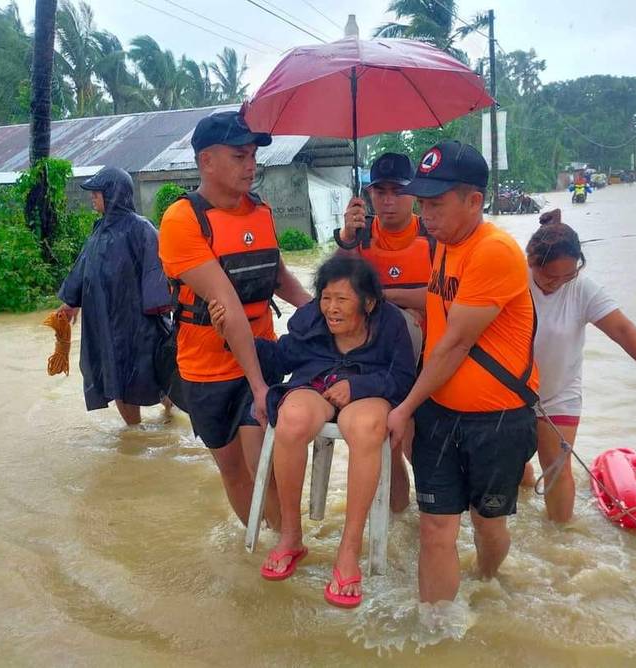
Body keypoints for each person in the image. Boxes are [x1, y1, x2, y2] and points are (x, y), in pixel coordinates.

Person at [208, 255, 415, 608]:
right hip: (315, 383)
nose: (331, 308)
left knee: (365, 427)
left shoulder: (391, 324)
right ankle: (291, 537)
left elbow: (402, 377)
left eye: (342, 299)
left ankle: (348, 552)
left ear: (368, 302)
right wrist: (230, 333)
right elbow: (278, 358)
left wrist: (359, 385)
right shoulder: (311, 321)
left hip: (368, 392)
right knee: (292, 418)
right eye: (326, 298)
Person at [386, 140, 539, 604]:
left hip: (496, 421)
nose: (424, 213)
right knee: (435, 526)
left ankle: (487, 581)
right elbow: (435, 313)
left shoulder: (493, 251)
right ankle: (435, 632)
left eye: (436, 203)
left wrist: (404, 406)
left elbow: (454, 343)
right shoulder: (446, 246)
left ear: (475, 201)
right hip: (439, 412)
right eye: (423, 202)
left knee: (486, 523)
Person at [158, 111, 312, 527]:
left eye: (253, 156)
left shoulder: (260, 212)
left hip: (261, 357)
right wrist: (260, 385)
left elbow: (279, 277)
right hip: (206, 370)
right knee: (232, 469)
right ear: (206, 161)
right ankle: (257, 544)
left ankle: (286, 541)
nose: (251, 165)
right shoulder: (181, 220)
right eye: (240, 156)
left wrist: (324, 315)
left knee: (267, 461)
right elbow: (223, 299)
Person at [521, 210, 636, 522]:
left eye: (568, 276)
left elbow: (622, 330)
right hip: (512, 393)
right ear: (531, 262)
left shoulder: (583, 289)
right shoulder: (512, 278)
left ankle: (560, 540)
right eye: (550, 277)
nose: (559, 284)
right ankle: (521, 494)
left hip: (559, 393)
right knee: (512, 466)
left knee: (557, 468)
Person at [337, 152, 437, 512]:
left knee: (419, 448)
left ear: (414, 194)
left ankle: (432, 517)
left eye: (398, 191)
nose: (389, 200)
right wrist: (347, 237)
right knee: (390, 450)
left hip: (430, 360)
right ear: (369, 194)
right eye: (381, 192)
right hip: (376, 362)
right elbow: (338, 295)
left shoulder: (434, 234)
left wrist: (383, 296)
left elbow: (445, 295)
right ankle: (399, 524)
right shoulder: (359, 238)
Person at [57, 167, 171, 425]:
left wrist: (160, 310)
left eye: (97, 193)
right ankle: (134, 433)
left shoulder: (141, 229)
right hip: (105, 324)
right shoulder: (98, 231)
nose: (92, 198)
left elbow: (159, 271)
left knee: (155, 372)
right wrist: (71, 303)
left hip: (139, 323)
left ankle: (169, 414)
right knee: (117, 377)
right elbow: (83, 268)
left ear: (113, 194)